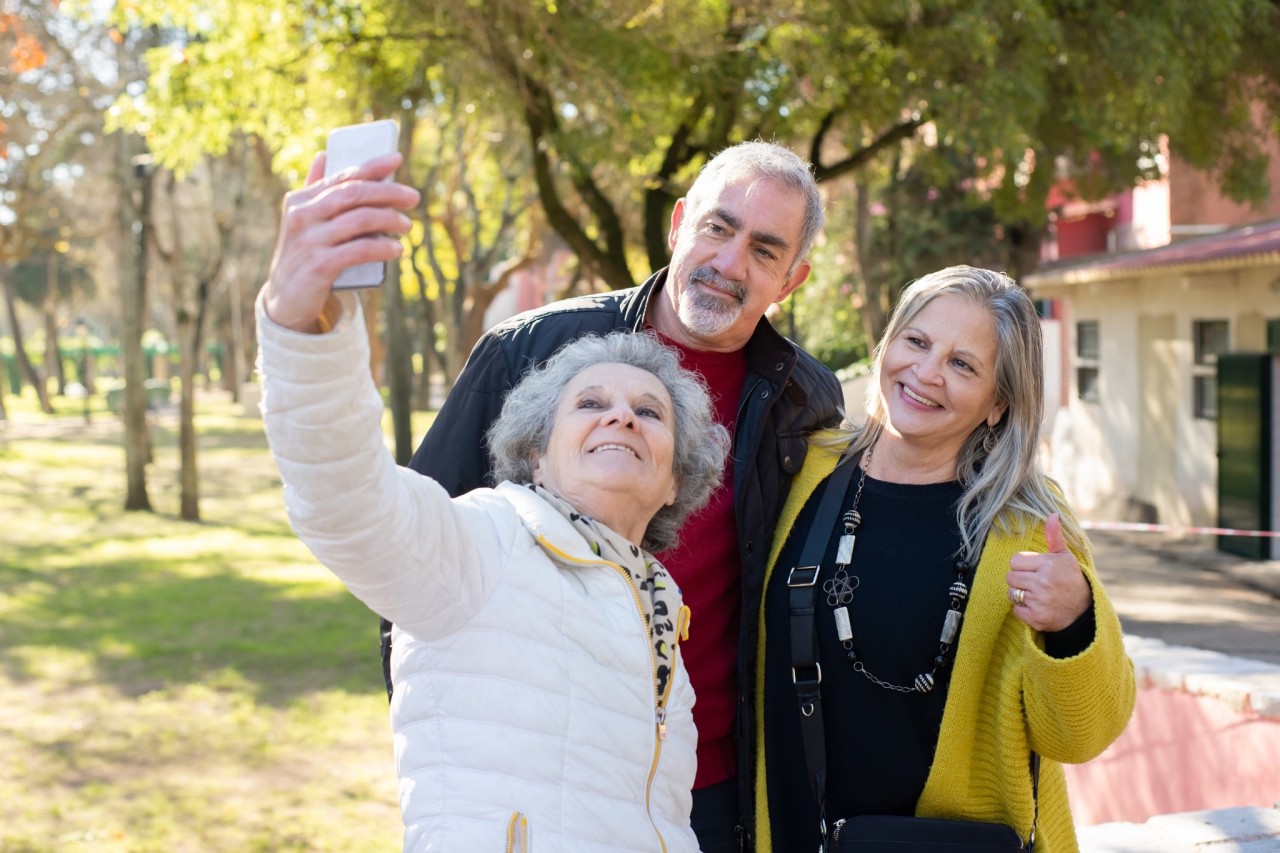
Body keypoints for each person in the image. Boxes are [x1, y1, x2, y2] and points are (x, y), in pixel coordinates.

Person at [256, 149, 733, 849]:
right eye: (591, 402)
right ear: (536, 453)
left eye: (649, 412)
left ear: (674, 480)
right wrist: (301, 327)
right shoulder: (487, 540)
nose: (621, 416)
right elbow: (346, 500)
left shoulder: (658, 602)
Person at [392, 140, 845, 850]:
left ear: (792, 279)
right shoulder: (526, 350)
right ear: (678, 224)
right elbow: (407, 558)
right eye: (718, 228)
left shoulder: (804, 400)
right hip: (537, 778)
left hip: (711, 786)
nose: (729, 263)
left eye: (764, 250)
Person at [754, 266, 1137, 852]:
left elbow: (1082, 734)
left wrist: (1073, 620)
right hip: (790, 832)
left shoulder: (1026, 525)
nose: (926, 373)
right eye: (917, 341)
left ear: (998, 403)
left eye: (963, 365)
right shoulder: (803, 469)